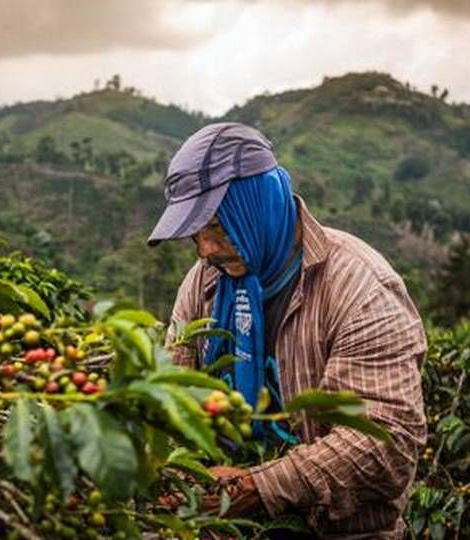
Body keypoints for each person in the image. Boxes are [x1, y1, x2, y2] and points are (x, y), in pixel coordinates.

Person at [148, 122, 427, 538]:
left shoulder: (359, 288)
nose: (205, 251)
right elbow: (174, 392)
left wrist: (258, 486)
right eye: (196, 235)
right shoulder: (205, 282)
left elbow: (386, 442)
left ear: (256, 206)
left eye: (218, 228)